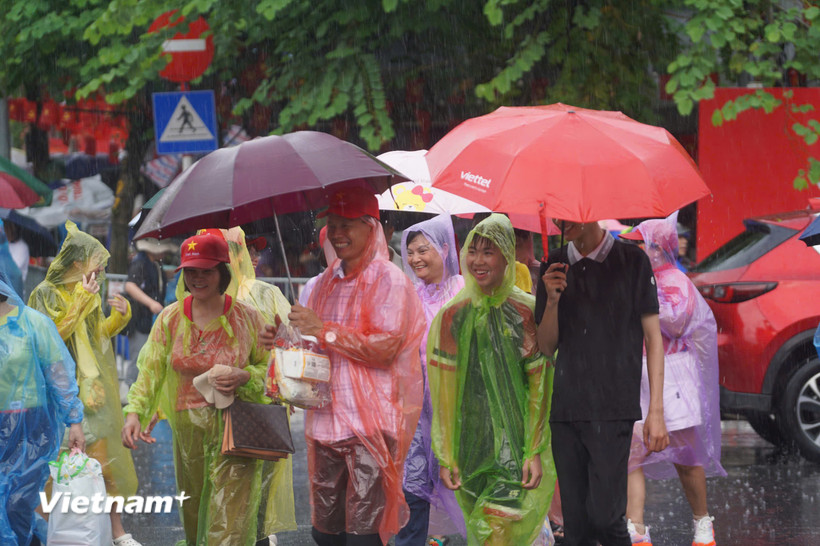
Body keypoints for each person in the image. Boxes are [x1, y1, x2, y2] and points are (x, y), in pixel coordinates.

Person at [266, 186, 426, 546]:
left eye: (347, 224)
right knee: (325, 534)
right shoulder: (319, 285)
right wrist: (282, 339)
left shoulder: (390, 281)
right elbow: (311, 349)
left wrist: (323, 330)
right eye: (332, 224)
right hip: (323, 425)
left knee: (363, 538)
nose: (337, 234)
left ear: (372, 227)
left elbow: (384, 348)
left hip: (369, 428)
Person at [121, 231, 275, 546]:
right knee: (194, 521)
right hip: (188, 434)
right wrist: (135, 412)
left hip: (237, 430)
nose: (198, 278)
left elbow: (271, 370)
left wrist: (244, 376)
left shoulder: (247, 318)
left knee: (226, 526)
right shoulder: (170, 319)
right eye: (191, 271)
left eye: (206, 270)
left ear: (223, 273)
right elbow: (150, 369)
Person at [535, 218, 669, 546]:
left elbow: (653, 339)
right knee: (577, 527)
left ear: (592, 210)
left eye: (570, 214)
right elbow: (546, 346)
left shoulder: (632, 260)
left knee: (607, 519)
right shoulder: (553, 264)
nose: (563, 222)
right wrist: (551, 300)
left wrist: (656, 411)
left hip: (613, 409)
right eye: (558, 215)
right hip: (567, 409)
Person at [428, 213, 556, 546]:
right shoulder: (453, 316)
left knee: (497, 533)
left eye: (489, 252)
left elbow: (539, 389)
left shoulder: (525, 312)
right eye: (473, 251)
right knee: (485, 532)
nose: (478, 261)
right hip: (471, 446)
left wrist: (534, 450)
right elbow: (444, 392)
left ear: (508, 257)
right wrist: (447, 455)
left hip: (515, 445)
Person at [28, 220, 140, 546]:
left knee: (103, 465)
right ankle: (48, 530)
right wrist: (79, 298)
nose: (102, 271)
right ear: (77, 264)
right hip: (58, 397)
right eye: (97, 264)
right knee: (55, 467)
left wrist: (120, 317)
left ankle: (116, 532)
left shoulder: (88, 293)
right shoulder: (44, 293)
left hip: (92, 394)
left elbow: (94, 339)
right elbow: (50, 339)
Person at [619, 215, 725, 546]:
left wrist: (638, 303)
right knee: (631, 450)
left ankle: (702, 523)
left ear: (657, 249)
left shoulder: (676, 281)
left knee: (685, 454)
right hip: (637, 371)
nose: (635, 250)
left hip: (674, 375)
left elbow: (677, 322)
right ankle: (635, 529)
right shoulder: (634, 278)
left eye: (641, 244)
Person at [222, 227, 297, 538]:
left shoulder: (267, 293)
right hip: (222, 406)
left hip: (264, 407)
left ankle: (261, 536)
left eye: (255, 250)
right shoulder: (209, 296)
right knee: (228, 489)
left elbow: (290, 342)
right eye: (246, 249)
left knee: (261, 485)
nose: (254, 256)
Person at [0, 272, 85, 546]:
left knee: (17, 503)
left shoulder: (33, 324)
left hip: (30, 429)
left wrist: (74, 421)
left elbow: (59, 374)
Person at [396, 215, 466, 546]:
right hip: (416, 411)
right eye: (410, 252)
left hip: (458, 408)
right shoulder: (409, 295)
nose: (415, 259)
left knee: (468, 490)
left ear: (444, 248)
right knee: (413, 491)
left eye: (423, 250)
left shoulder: (462, 291)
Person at [123, 237, 176, 394]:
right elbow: (130, 285)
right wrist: (150, 303)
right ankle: (130, 391)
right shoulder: (140, 262)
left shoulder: (155, 264)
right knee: (138, 355)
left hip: (150, 321)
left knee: (147, 356)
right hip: (140, 319)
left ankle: (141, 391)